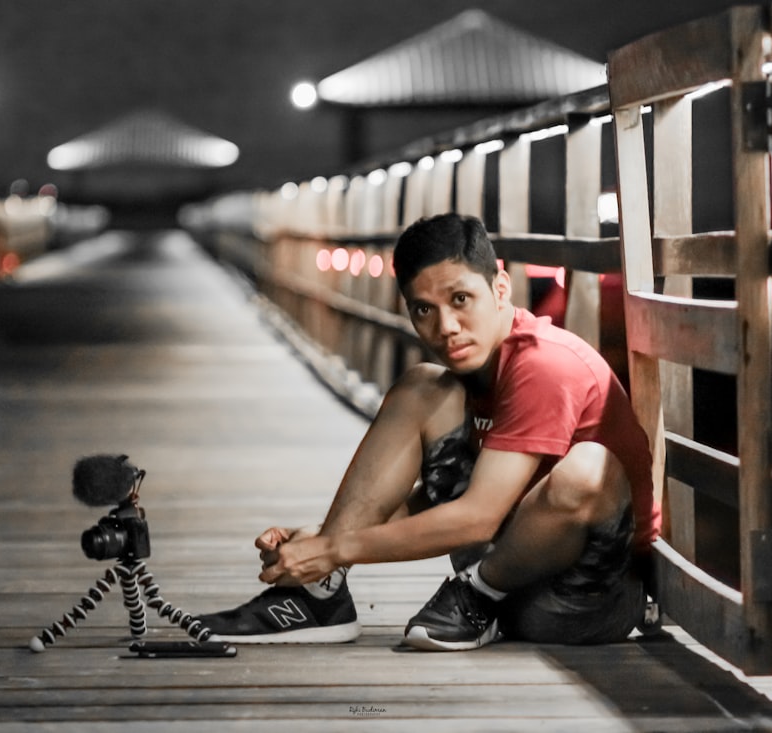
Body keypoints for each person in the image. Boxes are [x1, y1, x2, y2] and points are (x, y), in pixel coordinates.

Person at [193, 213, 660, 651]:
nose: (446, 328)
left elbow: (477, 517)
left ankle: (476, 594)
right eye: (423, 310)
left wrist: (334, 547)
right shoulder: (476, 372)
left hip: (587, 598)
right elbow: (452, 494)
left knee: (586, 469)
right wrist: (322, 541)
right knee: (421, 386)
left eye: (460, 300)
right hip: (504, 572)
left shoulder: (545, 365)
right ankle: (318, 595)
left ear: (500, 288)